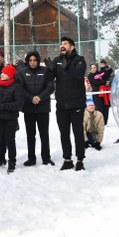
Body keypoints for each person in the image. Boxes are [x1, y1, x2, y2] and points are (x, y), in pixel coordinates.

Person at [47, 36, 88, 171]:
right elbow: (49, 79)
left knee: (78, 133)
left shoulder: (79, 60)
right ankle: (67, 159)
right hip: (62, 105)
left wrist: (66, 67)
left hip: (77, 104)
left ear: (72, 46)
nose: (62, 46)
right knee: (64, 133)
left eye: (65, 44)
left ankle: (80, 159)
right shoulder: (57, 60)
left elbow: (77, 75)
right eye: (61, 44)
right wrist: (49, 69)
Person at [18, 50, 55, 166]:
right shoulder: (22, 72)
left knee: (44, 133)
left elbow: (50, 87)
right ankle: (31, 158)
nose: (32, 62)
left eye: (35, 60)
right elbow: (20, 88)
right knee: (30, 134)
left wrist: (39, 97)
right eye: (30, 60)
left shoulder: (45, 71)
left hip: (43, 107)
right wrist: (30, 98)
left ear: (38, 61)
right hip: (28, 108)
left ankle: (46, 157)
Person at [0, 64, 25, 172]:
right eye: (2, 72)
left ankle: (12, 162)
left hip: (10, 119)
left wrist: (3, 106)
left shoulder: (16, 87)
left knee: (10, 141)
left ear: (10, 75)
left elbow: (18, 104)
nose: (2, 74)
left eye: (4, 73)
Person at [88, 60, 114, 125]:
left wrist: (104, 67)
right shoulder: (90, 76)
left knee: (105, 107)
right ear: (90, 69)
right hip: (96, 94)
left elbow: (107, 74)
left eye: (94, 68)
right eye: (92, 68)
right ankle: (99, 121)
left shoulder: (99, 73)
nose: (93, 69)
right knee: (99, 108)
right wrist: (104, 82)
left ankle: (105, 121)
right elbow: (95, 83)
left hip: (104, 93)